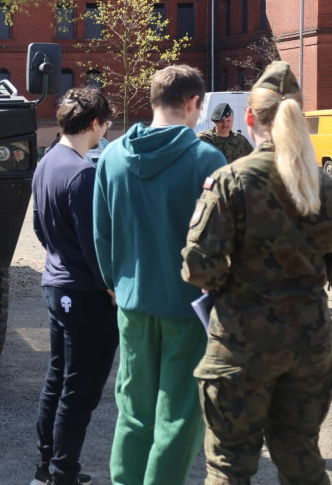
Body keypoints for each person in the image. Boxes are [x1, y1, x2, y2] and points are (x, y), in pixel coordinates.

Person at [182, 61, 332, 484]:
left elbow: (198, 268)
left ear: (250, 118)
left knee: (229, 466)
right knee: (303, 461)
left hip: (241, 345)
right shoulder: (322, 185)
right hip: (308, 344)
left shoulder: (231, 181)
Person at [93, 65, 226, 485]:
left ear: (152, 100)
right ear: (192, 103)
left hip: (131, 303)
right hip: (189, 308)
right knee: (180, 416)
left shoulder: (112, 156)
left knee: (133, 410)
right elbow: (222, 242)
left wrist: (114, 284)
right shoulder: (208, 159)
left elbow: (102, 233)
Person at [31, 88, 117, 485]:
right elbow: (95, 244)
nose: (106, 130)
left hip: (57, 284)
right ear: (95, 123)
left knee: (59, 378)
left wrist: (60, 256)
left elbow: (39, 227)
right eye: (106, 123)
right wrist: (110, 286)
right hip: (83, 294)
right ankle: (63, 473)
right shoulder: (83, 173)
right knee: (80, 389)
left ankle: (47, 467)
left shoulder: (47, 161)